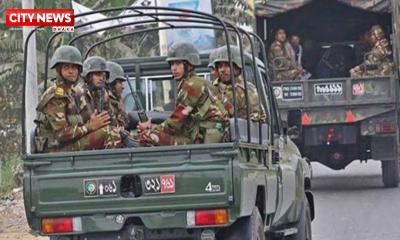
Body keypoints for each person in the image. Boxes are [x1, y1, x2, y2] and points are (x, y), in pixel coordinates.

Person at [138, 42, 228, 146]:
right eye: (171, 64)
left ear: (189, 65)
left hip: (201, 140)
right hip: (202, 136)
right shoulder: (199, 82)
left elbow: (176, 121)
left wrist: (151, 128)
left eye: (177, 63)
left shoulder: (193, 84)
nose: (173, 68)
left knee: (148, 136)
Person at [34, 46, 120, 152]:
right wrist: (90, 126)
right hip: (55, 150)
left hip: (69, 144)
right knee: (108, 132)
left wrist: (94, 120)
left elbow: (83, 119)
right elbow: (61, 134)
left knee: (115, 130)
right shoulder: (55, 96)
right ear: (58, 70)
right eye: (66, 67)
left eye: (74, 68)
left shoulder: (73, 92)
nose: (71, 71)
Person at [212, 45, 266, 121]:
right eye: (220, 66)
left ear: (237, 68)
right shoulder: (211, 88)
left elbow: (257, 117)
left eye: (227, 66)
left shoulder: (247, 89)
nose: (222, 70)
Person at [80, 56, 122, 148]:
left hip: (89, 135)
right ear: (88, 76)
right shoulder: (80, 94)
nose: (101, 78)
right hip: (78, 137)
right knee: (111, 133)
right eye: (98, 75)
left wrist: (106, 105)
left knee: (122, 133)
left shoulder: (99, 95)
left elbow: (113, 124)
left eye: (103, 75)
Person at [106, 61, 130, 129]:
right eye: (120, 82)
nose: (122, 87)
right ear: (111, 83)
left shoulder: (117, 100)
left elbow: (127, 125)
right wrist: (121, 111)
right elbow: (119, 127)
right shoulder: (105, 100)